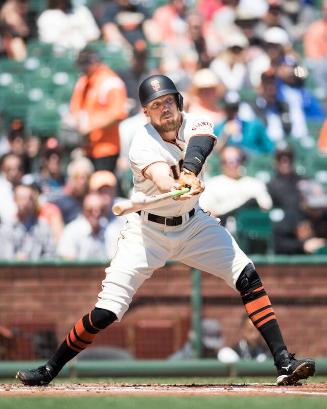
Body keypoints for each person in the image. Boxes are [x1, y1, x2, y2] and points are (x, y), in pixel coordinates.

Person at [16, 74, 315, 387]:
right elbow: (161, 179)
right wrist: (177, 185)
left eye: (168, 102)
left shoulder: (197, 122)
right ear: (146, 112)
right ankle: (50, 369)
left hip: (193, 223)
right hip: (147, 233)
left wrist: (188, 174)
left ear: (178, 102)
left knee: (247, 275)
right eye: (156, 105)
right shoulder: (141, 144)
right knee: (108, 311)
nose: (164, 109)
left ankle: (284, 361)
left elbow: (201, 145)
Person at [63, 47, 128, 172]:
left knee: (103, 183)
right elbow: (75, 108)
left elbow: (118, 114)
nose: (82, 68)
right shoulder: (83, 81)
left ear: (95, 62)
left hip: (106, 147)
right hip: (85, 146)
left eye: (85, 64)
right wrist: (76, 123)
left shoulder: (110, 82)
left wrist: (89, 127)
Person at [200, 145, 272, 226]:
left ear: (242, 161)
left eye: (236, 160)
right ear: (221, 163)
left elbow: (266, 207)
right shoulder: (212, 184)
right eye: (226, 161)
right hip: (222, 227)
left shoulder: (255, 184)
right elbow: (205, 211)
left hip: (250, 230)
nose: (232, 164)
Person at [0, 183, 56, 260]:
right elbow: (4, 257)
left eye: (28, 198)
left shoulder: (43, 226)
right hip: (13, 271)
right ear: (14, 200)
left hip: (38, 271)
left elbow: (50, 255)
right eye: (21, 198)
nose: (25, 203)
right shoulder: (7, 228)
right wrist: (16, 259)